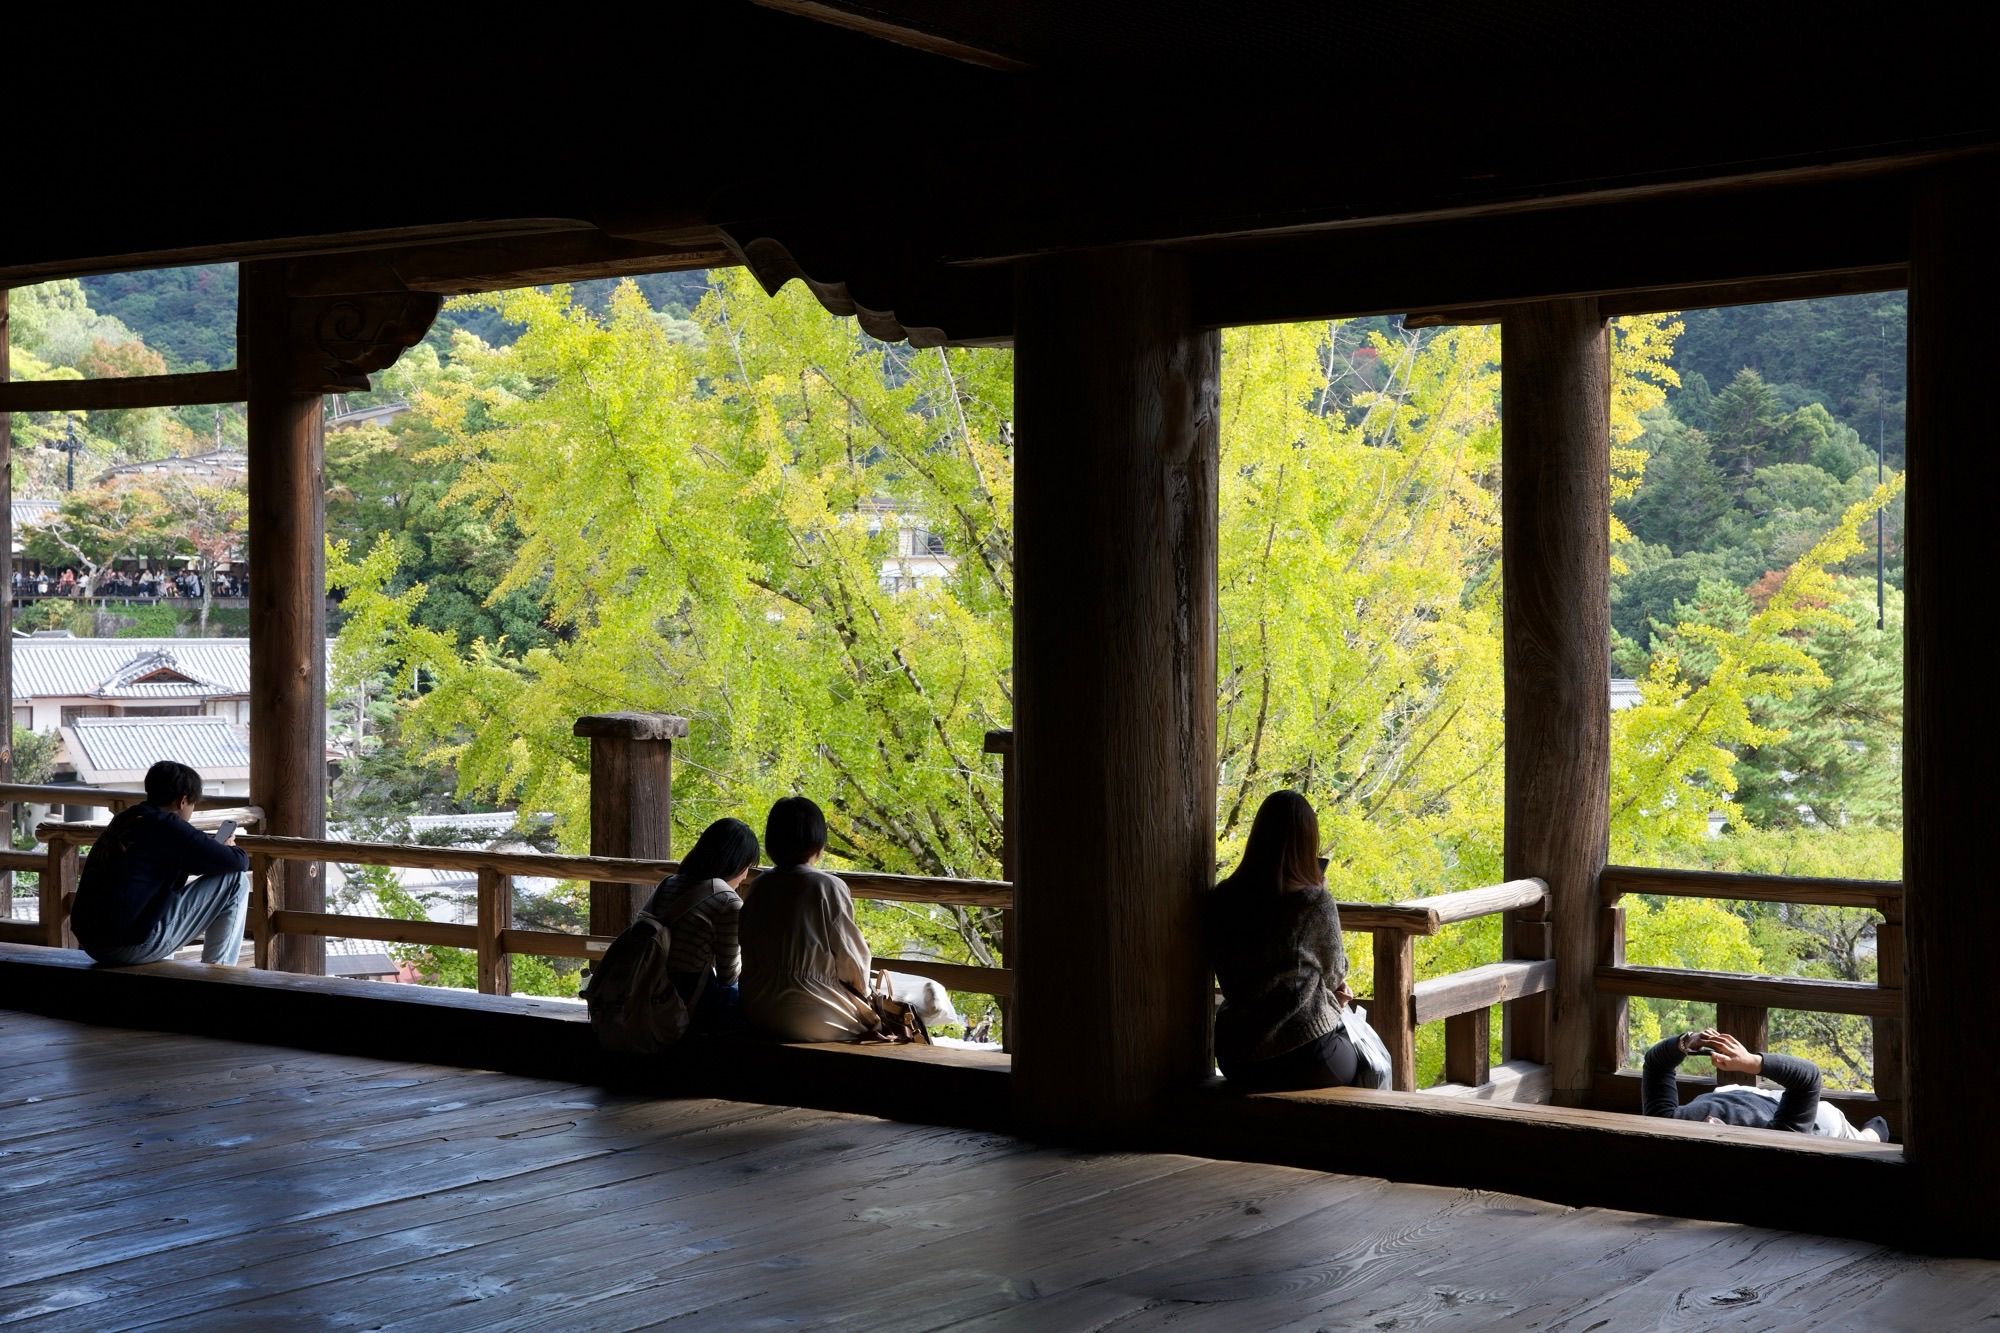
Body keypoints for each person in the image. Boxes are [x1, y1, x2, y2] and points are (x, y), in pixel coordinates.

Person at [1204, 790, 1363, 1091]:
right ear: (1307, 842)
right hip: (1302, 1054)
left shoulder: (1223, 898)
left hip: (1237, 1055)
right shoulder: (1312, 902)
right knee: (1362, 1059)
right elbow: (1334, 974)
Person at [71, 760, 251, 967]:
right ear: (182, 801)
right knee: (236, 880)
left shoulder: (127, 818)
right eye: (192, 804)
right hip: (126, 947)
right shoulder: (168, 826)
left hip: (91, 944)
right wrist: (229, 848)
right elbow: (238, 861)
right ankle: (219, 973)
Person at [738, 795, 878, 1042]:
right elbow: (852, 961)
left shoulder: (759, 885)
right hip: (814, 1016)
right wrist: (862, 993)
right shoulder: (827, 886)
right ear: (818, 843)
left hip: (756, 1007)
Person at [1642, 1028, 1892, 1141]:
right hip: (1819, 1123)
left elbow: (1655, 1066)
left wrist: (1686, 1042)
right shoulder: (1777, 1139)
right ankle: (1875, 1134)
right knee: (1861, 1142)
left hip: (1740, 1094)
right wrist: (1753, 1062)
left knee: (1724, 1093)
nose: (1709, 1124)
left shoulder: (1668, 1123)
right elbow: (1809, 1079)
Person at [641, 816, 759, 1032]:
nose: (746, 875)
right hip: (685, 1001)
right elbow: (729, 975)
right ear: (736, 863)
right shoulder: (728, 902)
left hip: (646, 989)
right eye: (747, 866)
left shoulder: (668, 884)